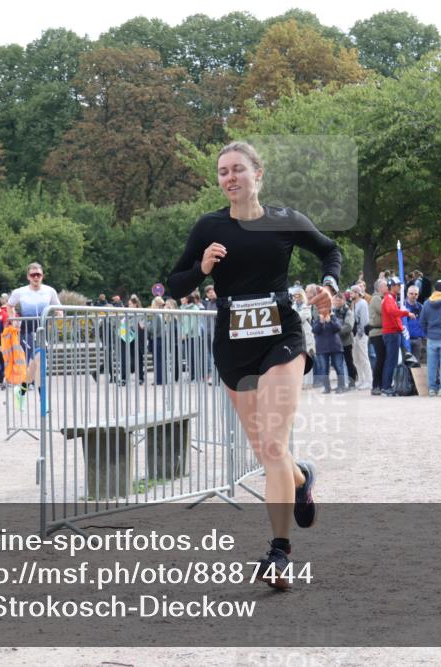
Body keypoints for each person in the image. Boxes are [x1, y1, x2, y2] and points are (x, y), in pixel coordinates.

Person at [166, 141, 340, 588]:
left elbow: (329, 250)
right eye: (223, 172)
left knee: (275, 448)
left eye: (238, 169)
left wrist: (328, 283)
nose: (229, 178)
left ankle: (279, 554)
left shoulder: (285, 221)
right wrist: (202, 268)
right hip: (233, 346)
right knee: (267, 452)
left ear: (257, 174)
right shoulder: (209, 227)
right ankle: (300, 480)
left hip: (282, 338)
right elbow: (175, 285)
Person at [8, 263, 62, 366]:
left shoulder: (50, 291)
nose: (36, 277)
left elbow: (59, 307)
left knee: (39, 360)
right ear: (28, 277)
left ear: (42, 276)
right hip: (26, 330)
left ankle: (33, 381)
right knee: (33, 356)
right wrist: (13, 319)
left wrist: (59, 314)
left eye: (38, 275)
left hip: (43, 329)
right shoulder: (20, 291)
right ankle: (32, 381)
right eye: (33, 275)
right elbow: (9, 305)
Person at [380, 277, 413, 397]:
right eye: (398, 285)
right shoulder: (389, 298)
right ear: (392, 286)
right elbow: (392, 312)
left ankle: (386, 386)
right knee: (391, 361)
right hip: (391, 334)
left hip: (392, 333)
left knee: (391, 360)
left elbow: (393, 314)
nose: (399, 287)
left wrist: (401, 327)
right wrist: (406, 313)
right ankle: (386, 387)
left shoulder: (390, 298)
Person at [312, 308, 347, 393]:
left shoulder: (333, 318)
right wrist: (321, 322)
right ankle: (327, 388)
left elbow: (338, 328)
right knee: (324, 368)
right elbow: (314, 330)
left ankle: (341, 386)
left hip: (335, 347)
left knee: (338, 367)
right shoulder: (318, 319)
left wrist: (329, 321)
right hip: (321, 348)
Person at [333, 292, 357, 390]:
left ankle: (352, 383)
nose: (337, 302)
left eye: (339, 300)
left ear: (343, 300)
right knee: (337, 364)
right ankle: (341, 384)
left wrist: (336, 331)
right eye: (336, 300)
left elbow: (348, 327)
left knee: (349, 362)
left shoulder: (348, 312)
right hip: (336, 343)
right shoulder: (333, 311)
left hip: (346, 342)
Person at [367, 278, 387, 396]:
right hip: (377, 332)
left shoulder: (383, 298)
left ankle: (382, 384)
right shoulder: (376, 298)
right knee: (380, 359)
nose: (388, 287)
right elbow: (384, 311)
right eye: (385, 285)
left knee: (383, 359)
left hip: (382, 332)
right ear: (379, 288)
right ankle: (375, 385)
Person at [351, 284, 372, 390]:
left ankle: (369, 381)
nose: (351, 294)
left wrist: (360, 334)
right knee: (356, 359)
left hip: (361, 335)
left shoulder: (362, 303)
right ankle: (361, 379)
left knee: (363, 358)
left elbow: (364, 321)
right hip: (354, 335)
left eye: (352, 292)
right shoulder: (353, 303)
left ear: (358, 293)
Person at [403, 285, 425, 365]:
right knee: (405, 364)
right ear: (407, 294)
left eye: (416, 294)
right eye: (411, 293)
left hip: (417, 339)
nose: (413, 296)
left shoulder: (420, 307)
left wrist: (421, 335)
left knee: (416, 364)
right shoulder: (402, 306)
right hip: (405, 339)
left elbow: (424, 322)